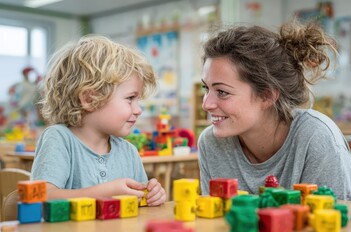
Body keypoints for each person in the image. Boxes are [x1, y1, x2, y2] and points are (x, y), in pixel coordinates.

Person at [198, 20, 351, 200]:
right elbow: (213, 223)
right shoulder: (211, 143)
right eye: (206, 88)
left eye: (222, 92)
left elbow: (334, 225)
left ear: (267, 96)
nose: (206, 104)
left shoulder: (316, 139)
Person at [31, 35, 166, 206]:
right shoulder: (59, 139)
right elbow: (41, 197)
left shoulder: (128, 152)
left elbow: (140, 202)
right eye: (130, 98)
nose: (138, 110)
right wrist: (104, 193)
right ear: (89, 99)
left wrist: (152, 196)